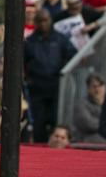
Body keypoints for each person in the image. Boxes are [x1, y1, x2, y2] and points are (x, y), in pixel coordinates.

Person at [24, 9, 76, 142]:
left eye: (45, 20)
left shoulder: (60, 39)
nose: (43, 23)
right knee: (38, 124)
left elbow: (73, 55)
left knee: (56, 121)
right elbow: (22, 62)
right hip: (36, 89)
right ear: (35, 22)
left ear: (50, 20)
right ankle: (40, 151)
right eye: (39, 20)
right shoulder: (29, 41)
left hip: (56, 88)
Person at [72, 73, 106, 143]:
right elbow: (88, 124)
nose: (97, 89)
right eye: (94, 86)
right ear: (88, 88)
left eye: (100, 86)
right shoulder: (81, 104)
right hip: (87, 144)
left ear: (105, 87)